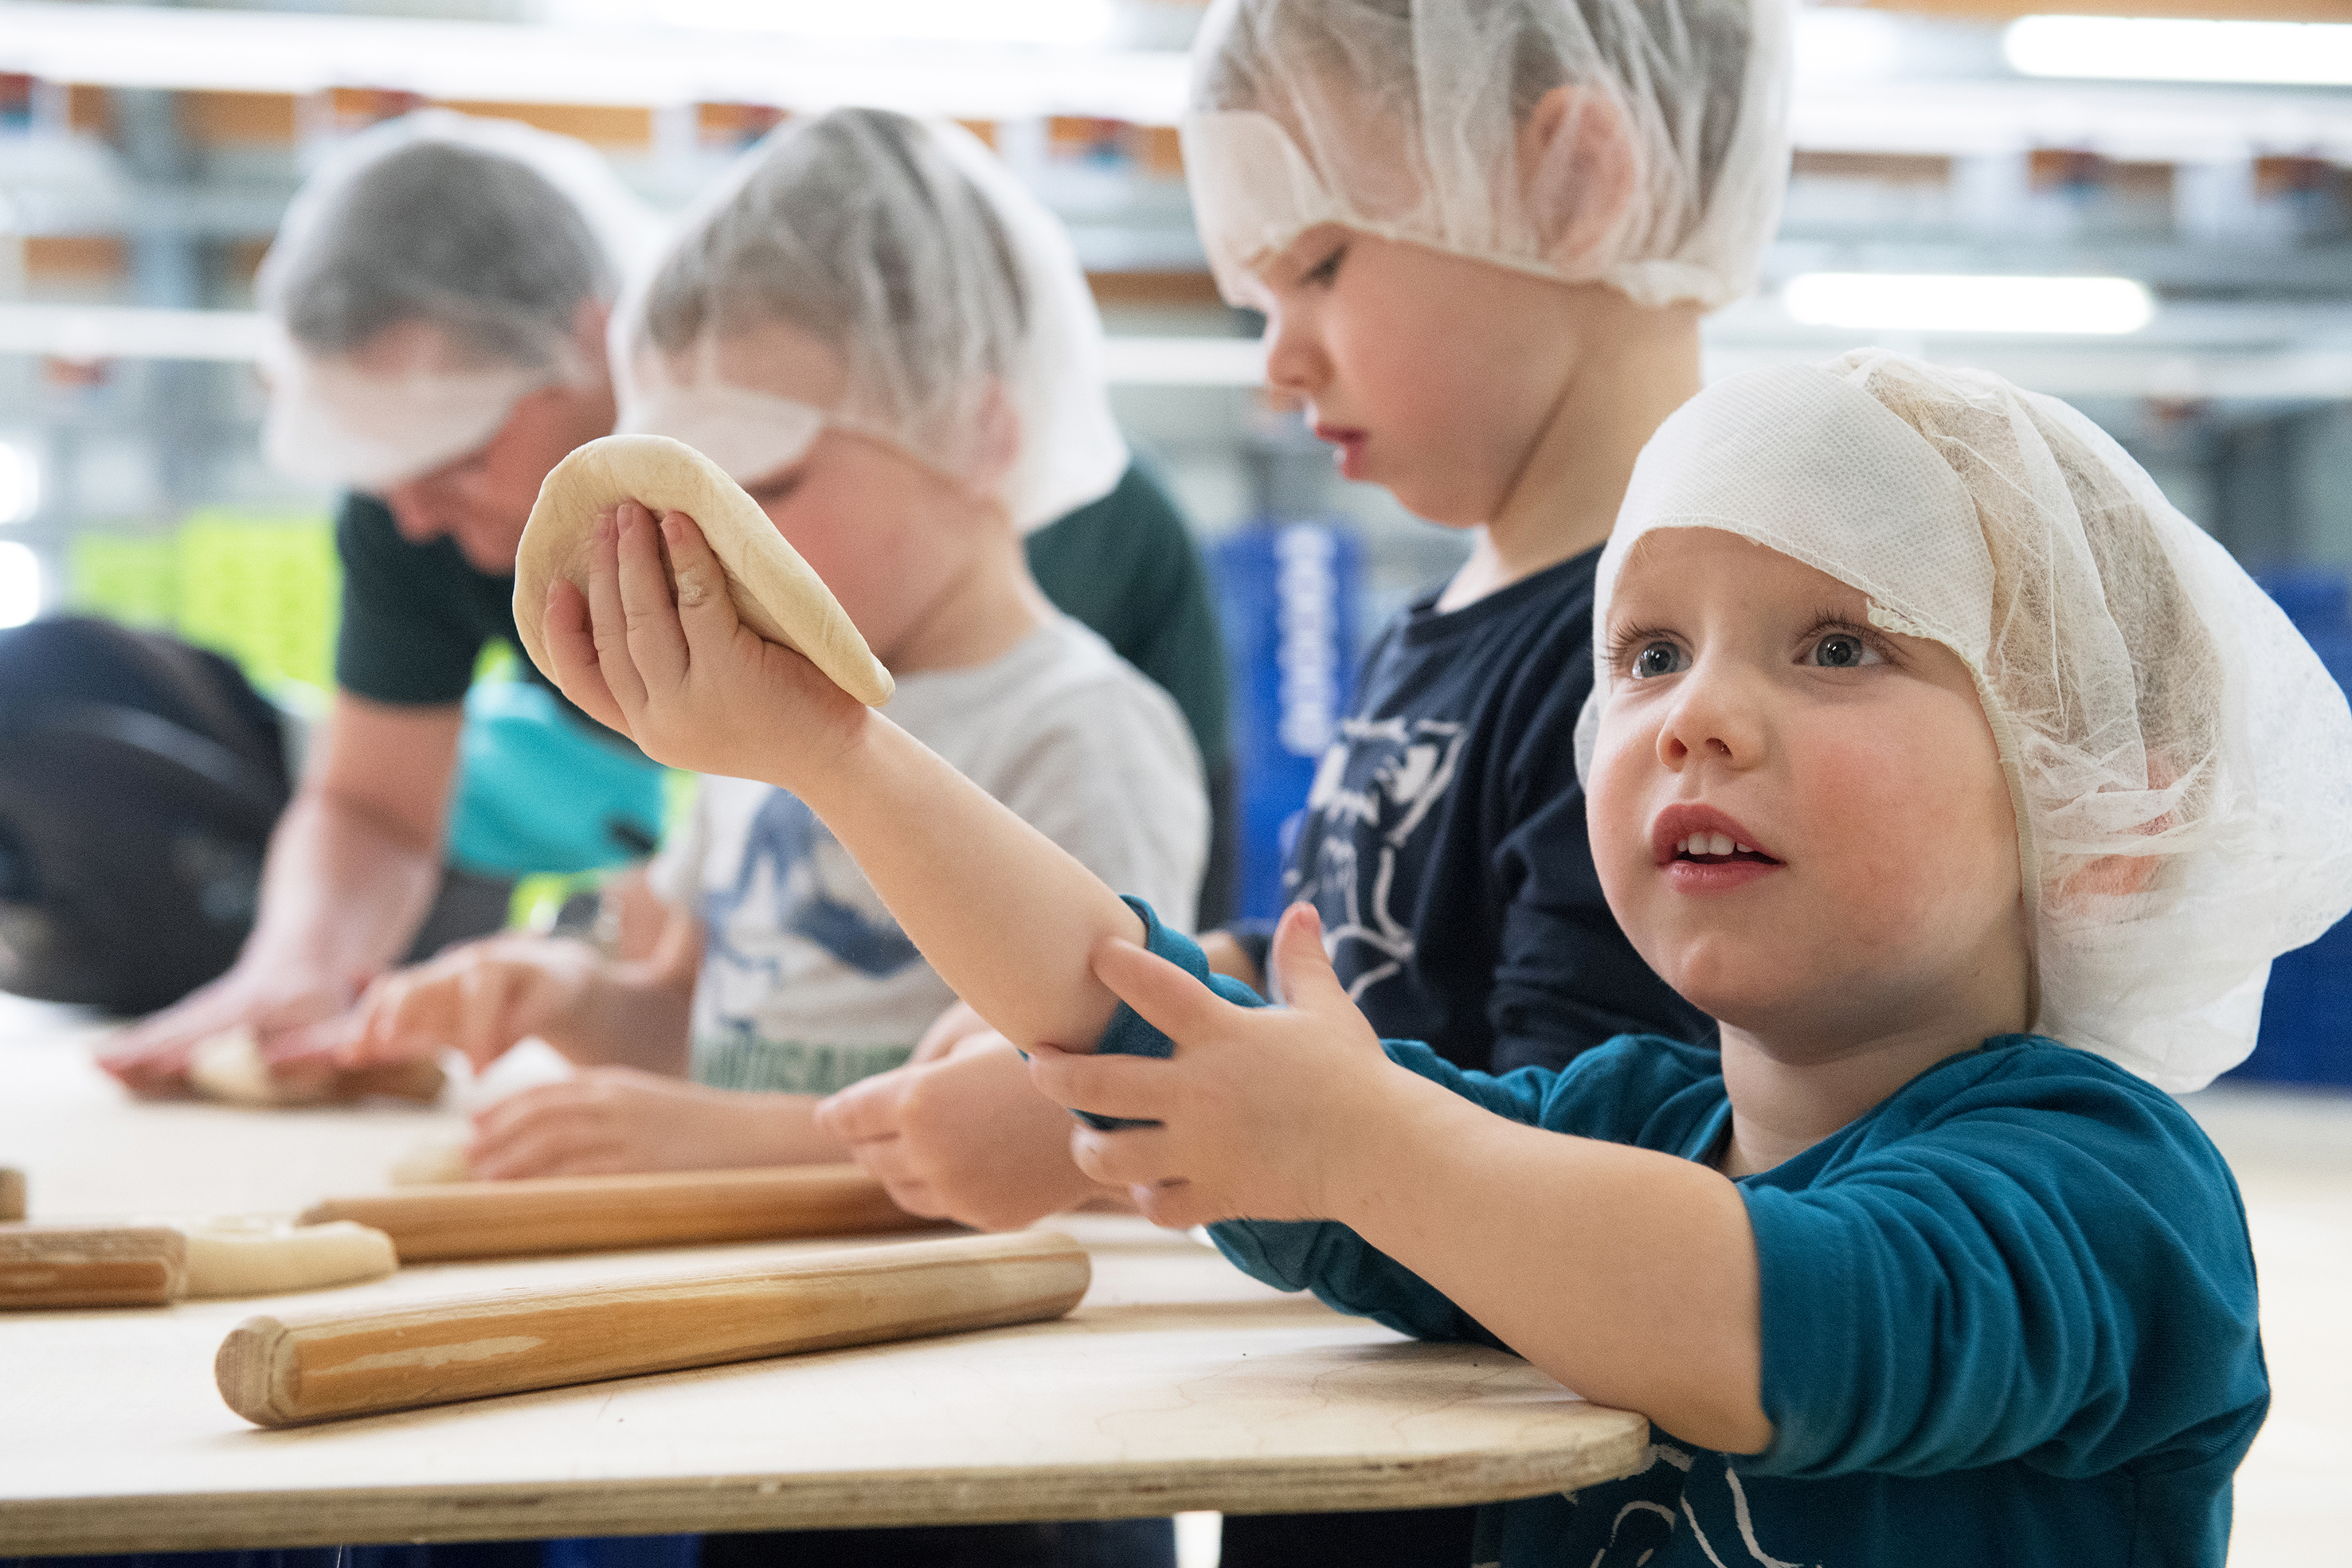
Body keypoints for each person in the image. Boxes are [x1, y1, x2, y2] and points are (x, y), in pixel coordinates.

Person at [535, 348, 2352, 1567]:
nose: (1696, 715)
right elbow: (1157, 1020)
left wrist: (1354, 1137)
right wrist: (837, 754)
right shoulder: (1624, 1125)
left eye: (1835, 649)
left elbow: (1772, 1322)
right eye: (1645, 654)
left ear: (2099, 801)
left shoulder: (2111, 1196)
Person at [815, 4, 1787, 1554]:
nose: (1275, 357)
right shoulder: (1450, 630)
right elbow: (1382, 988)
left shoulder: (1658, 677)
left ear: (1578, 176)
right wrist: (1161, 1003)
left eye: (1320, 263)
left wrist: (1128, 1116)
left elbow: (1589, 1174)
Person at [100, 111, 1232, 1095]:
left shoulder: (1053, 657)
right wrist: (546, 996)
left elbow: (1084, 1077)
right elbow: (710, 1002)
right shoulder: (755, 728)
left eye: (769, 485)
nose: (412, 515)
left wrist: (724, 1142)